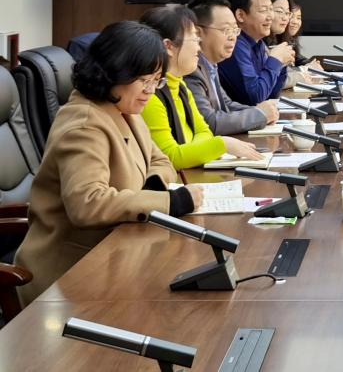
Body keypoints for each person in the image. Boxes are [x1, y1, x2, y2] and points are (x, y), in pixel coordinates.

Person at [14, 22, 204, 306]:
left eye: (157, 81)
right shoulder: (85, 124)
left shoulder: (124, 108)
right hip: (69, 273)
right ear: (114, 72)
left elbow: (160, 160)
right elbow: (87, 204)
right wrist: (169, 202)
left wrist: (150, 190)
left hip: (116, 253)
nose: (151, 90)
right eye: (144, 80)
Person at [140, 5, 263, 169]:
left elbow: (205, 132)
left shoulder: (181, 86)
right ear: (169, 46)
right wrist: (222, 144)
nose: (198, 47)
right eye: (194, 40)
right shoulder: (149, 95)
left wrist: (191, 150)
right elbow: (169, 157)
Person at [185, 0, 279, 135]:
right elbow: (209, 122)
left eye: (235, 30)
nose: (233, 37)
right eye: (226, 30)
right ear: (198, 33)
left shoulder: (210, 65)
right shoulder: (190, 70)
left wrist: (261, 112)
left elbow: (226, 105)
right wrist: (260, 114)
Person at [218, 0, 294, 105]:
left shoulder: (259, 44)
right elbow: (255, 97)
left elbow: (271, 95)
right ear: (240, 15)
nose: (270, 17)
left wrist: (282, 65)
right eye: (263, 10)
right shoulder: (235, 43)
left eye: (271, 9)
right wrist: (275, 60)